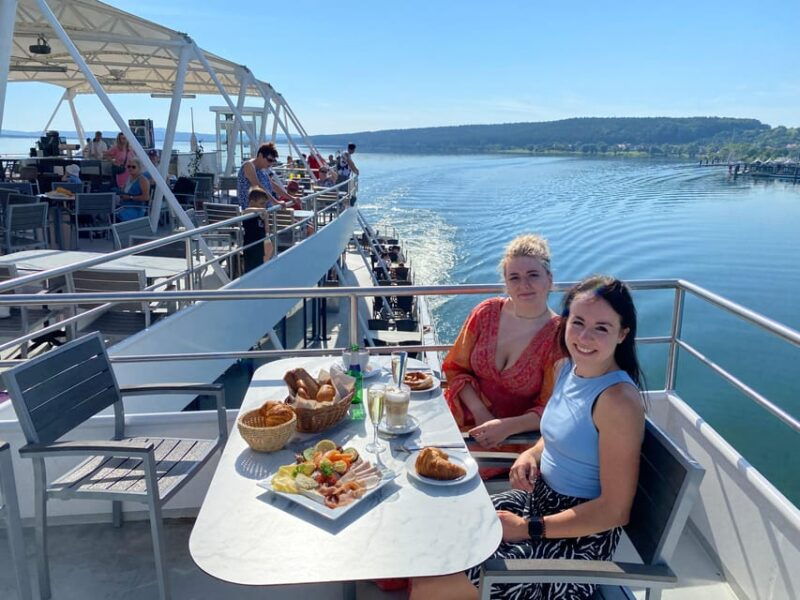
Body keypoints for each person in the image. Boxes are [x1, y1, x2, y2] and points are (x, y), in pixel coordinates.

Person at [412, 275, 646, 600]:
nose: (584, 337)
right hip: (539, 503)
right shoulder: (568, 368)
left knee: (434, 581)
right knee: (438, 530)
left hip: (575, 540)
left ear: (622, 334)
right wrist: (531, 454)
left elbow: (615, 511)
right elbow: (558, 433)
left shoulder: (618, 402)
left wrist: (528, 528)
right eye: (577, 322)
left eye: (601, 328)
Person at [443, 234, 564, 454]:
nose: (523, 285)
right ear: (506, 284)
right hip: (457, 418)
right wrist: (480, 411)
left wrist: (506, 427)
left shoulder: (558, 338)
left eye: (533, 275)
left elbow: (552, 407)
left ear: (549, 279)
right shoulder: (485, 313)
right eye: (514, 277)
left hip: (511, 440)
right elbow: (455, 368)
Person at [236, 142, 291, 209]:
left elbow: (273, 185)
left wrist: (291, 198)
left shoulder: (263, 169)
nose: (271, 164)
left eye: (273, 161)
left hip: (264, 211)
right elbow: (258, 186)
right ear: (260, 155)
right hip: (252, 212)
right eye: (269, 160)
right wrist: (276, 202)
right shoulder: (249, 166)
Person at [241, 186, 274, 273]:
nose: (264, 206)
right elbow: (245, 211)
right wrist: (261, 210)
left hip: (260, 244)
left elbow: (267, 230)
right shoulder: (249, 213)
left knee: (260, 265)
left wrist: (266, 219)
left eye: (265, 204)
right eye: (261, 203)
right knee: (250, 267)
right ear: (252, 202)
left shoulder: (260, 215)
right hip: (250, 245)